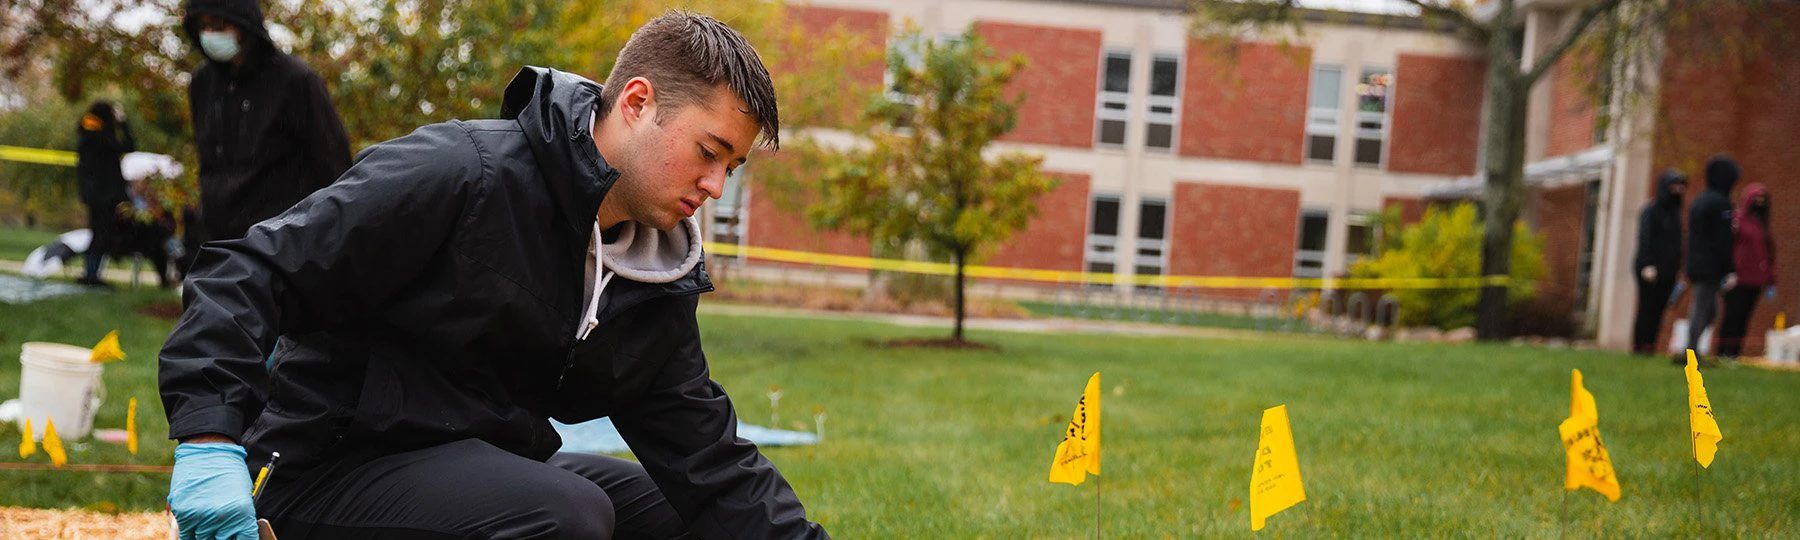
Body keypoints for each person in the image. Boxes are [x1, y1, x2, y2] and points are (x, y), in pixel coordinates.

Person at [159, 11, 826, 539]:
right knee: (567, 515)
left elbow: (711, 463)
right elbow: (250, 269)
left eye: (730, 170)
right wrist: (210, 440)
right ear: (636, 102)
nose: (714, 187)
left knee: (688, 512)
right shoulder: (464, 172)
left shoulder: (651, 271)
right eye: (708, 153)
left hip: (483, 467)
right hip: (329, 467)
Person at [182, 0, 352, 248]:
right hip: (219, 239)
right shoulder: (202, 83)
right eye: (204, 25)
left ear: (243, 22)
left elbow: (333, 160)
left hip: (281, 241)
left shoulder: (295, 80)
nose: (211, 33)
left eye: (219, 24)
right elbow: (208, 162)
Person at [1681, 154, 1741, 364]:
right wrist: (1729, 269)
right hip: (1710, 266)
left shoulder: (1701, 200)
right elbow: (1723, 240)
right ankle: (1690, 353)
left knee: (1708, 310)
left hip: (1697, 263)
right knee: (1701, 309)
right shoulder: (1721, 204)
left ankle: (1691, 349)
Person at [74, 101, 135, 288]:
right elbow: (129, 145)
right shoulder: (102, 139)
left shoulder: (87, 135)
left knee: (97, 234)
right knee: (102, 235)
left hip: (94, 195)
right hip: (105, 196)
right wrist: (123, 123)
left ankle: (90, 273)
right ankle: (92, 275)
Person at [1719, 183, 1776, 358]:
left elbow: (1767, 255)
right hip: (1738, 279)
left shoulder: (1761, 225)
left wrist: (1771, 280)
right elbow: (1726, 246)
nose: (1759, 202)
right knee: (1732, 316)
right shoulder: (1737, 220)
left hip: (1756, 281)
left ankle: (1734, 354)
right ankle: (1723, 353)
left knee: (1744, 318)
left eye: (1762, 199)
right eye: (1756, 198)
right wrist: (1727, 271)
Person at [1632, 170, 1686, 355]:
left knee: (1659, 310)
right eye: (1674, 186)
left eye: (1680, 186)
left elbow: (1678, 244)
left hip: (1668, 271)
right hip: (1649, 269)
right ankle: (1639, 345)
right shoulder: (1651, 211)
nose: (1678, 190)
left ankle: (1650, 345)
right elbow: (1645, 238)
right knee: (1646, 307)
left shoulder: (1676, 214)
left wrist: (1677, 268)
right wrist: (1647, 264)